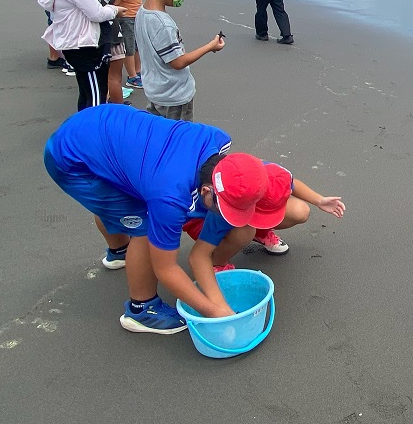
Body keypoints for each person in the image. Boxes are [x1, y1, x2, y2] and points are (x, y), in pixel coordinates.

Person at [43, 105, 344, 333]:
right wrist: (214, 312)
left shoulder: (217, 142)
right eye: (224, 207)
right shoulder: (169, 196)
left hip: (110, 130)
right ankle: (141, 309)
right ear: (204, 190)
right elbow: (166, 268)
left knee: (126, 203)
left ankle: (118, 250)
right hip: (72, 158)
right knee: (145, 231)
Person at [183, 155, 344, 260]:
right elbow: (198, 256)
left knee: (301, 210)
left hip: (232, 204)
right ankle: (218, 262)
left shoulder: (260, 172)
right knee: (244, 232)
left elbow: (291, 184)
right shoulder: (224, 200)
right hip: (205, 217)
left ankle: (260, 232)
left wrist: (319, 200)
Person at [37, 0, 125, 111]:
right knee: (95, 96)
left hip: (71, 42)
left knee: (86, 91)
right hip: (84, 46)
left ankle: (83, 129)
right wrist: (115, 10)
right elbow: (97, 13)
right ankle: (90, 134)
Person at [135, 0, 224, 121]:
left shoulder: (142, 12)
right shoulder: (163, 24)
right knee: (179, 140)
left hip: (155, 91)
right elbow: (178, 62)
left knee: (160, 135)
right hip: (174, 95)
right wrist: (210, 46)